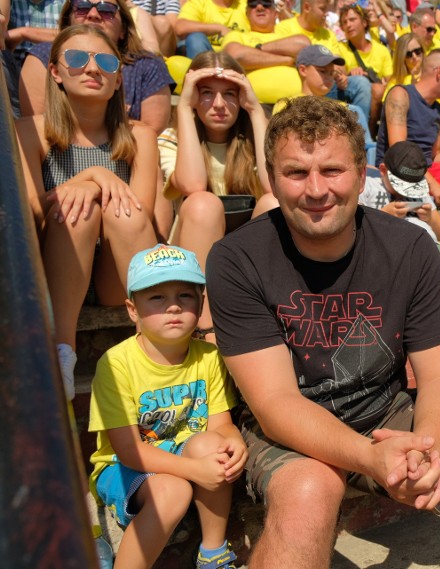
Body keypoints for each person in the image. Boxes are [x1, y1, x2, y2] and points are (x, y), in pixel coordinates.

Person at [204, 95, 440, 568]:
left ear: (362, 174)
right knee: (309, 490)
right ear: (271, 178)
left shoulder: (409, 248)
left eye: (333, 170)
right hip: (291, 429)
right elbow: (276, 404)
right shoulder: (237, 258)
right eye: (296, 173)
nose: (316, 189)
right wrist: (369, 458)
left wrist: (423, 452)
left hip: (387, 410)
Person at [15, 25, 159, 401]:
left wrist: (94, 182)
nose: (92, 69)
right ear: (55, 72)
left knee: (122, 211)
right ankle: (61, 352)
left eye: (106, 61)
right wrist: (90, 177)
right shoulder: (30, 130)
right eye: (78, 59)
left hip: (116, 269)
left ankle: (156, 350)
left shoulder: (139, 135)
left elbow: (139, 209)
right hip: (58, 256)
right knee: (75, 209)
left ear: (117, 79)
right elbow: (31, 212)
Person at [88, 244, 245, 569]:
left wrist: (234, 441)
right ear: (133, 310)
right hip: (124, 465)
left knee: (217, 448)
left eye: (184, 296)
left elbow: (220, 424)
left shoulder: (209, 357)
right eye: (157, 298)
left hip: (182, 452)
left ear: (201, 303)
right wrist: (194, 471)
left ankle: (213, 554)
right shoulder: (116, 365)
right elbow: (129, 451)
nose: (173, 307)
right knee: (173, 491)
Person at [158, 51, 274, 344]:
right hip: (191, 257)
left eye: (230, 94)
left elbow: (275, 186)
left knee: (273, 203)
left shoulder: (256, 138)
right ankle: (206, 330)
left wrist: (256, 111)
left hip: (247, 256)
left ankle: (268, 314)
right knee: (203, 202)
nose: (220, 104)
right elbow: (193, 183)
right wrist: (184, 109)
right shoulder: (172, 138)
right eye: (206, 93)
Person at [19, 0, 173, 135]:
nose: (93, 14)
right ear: (68, 21)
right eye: (82, 7)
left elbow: (151, 131)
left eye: (107, 10)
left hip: (129, 155)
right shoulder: (45, 55)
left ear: (123, 29)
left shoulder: (148, 65)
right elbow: (36, 123)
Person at [376, 48, 440, 205]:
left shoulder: (437, 109)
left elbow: (434, 158)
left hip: (426, 172)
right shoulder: (400, 95)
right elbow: (399, 151)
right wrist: (432, 184)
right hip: (399, 172)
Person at [218, 0, 310, 104]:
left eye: (266, 3)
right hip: (257, 106)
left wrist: (257, 49)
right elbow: (236, 55)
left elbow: (304, 45)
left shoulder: (286, 34)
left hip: (297, 105)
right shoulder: (237, 36)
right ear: (246, 14)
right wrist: (286, 59)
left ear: (276, 13)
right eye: (253, 4)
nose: (260, 7)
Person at [174, 0, 249, 59]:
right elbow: (180, 27)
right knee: (195, 38)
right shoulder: (199, 3)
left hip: (237, 58)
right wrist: (218, 28)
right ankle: (204, 75)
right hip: (207, 57)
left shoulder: (246, 5)